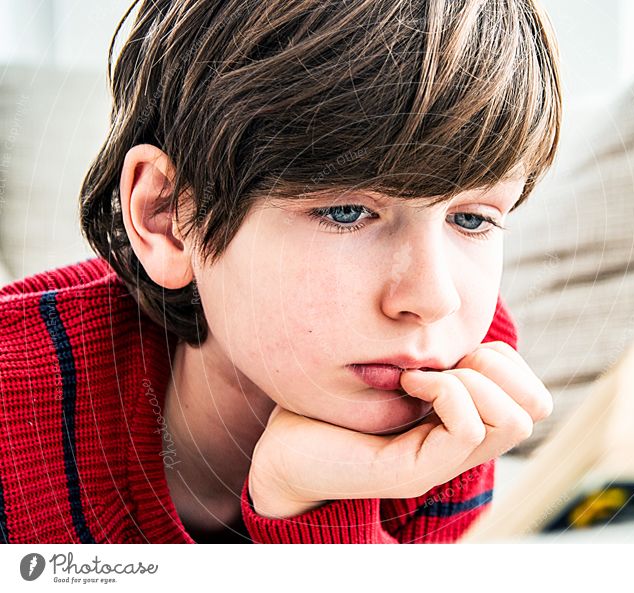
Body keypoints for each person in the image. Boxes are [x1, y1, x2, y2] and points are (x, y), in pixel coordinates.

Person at [0, 0, 561, 543]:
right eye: (346, 212)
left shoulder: (461, 388)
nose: (433, 299)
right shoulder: (15, 398)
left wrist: (305, 500)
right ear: (168, 218)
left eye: (471, 219)